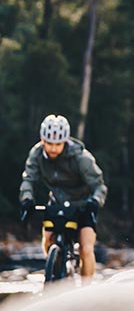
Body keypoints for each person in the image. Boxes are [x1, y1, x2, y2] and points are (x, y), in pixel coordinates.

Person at [19, 115, 107, 284]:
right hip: (57, 202)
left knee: (86, 248)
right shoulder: (36, 154)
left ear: (65, 141)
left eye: (58, 144)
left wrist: (95, 201)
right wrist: (27, 200)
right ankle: (55, 268)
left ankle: (87, 290)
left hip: (83, 204)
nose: (53, 148)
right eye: (49, 143)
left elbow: (99, 185)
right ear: (42, 140)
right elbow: (28, 179)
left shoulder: (81, 158)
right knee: (47, 239)